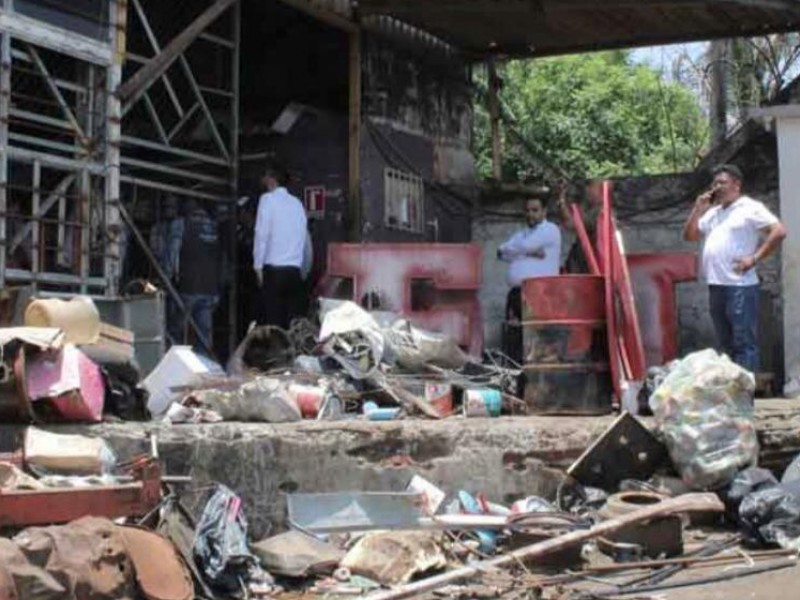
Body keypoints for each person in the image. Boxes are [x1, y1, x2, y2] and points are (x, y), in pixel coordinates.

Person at [683, 164, 786, 373]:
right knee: (725, 343)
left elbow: (779, 231)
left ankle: (745, 399)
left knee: (743, 342)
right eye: (715, 183)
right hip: (716, 285)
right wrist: (697, 209)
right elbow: (690, 236)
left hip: (740, 286)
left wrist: (754, 258)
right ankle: (730, 398)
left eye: (722, 182)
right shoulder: (713, 213)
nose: (717, 187)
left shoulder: (749, 207)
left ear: (736, 185)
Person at [497, 197, 562, 363]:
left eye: (535, 210)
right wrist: (528, 252)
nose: (530, 214)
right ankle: (514, 374)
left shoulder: (550, 230)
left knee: (536, 339)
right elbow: (500, 252)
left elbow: (523, 246)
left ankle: (535, 378)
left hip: (539, 293)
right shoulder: (523, 234)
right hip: (517, 294)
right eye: (527, 210)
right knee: (515, 338)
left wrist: (519, 250)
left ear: (544, 212)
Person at [252, 164, 309, 330]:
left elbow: (261, 234)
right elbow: (303, 239)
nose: (262, 180)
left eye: (264, 176)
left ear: (271, 179)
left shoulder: (267, 200)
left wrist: (257, 266)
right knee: (291, 327)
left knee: (273, 326)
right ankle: (293, 356)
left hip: (274, 272)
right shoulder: (297, 204)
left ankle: (276, 356)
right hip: (294, 272)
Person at [171, 198, 221, 354]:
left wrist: (169, 277)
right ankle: (202, 367)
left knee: (177, 330)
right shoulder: (213, 227)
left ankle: (174, 363)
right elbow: (221, 258)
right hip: (210, 288)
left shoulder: (181, 224)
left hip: (188, 285)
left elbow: (173, 254)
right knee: (204, 334)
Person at [557, 178, 603, 273]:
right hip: (586, 260)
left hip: (594, 262)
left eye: (590, 186)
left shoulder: (600, 211)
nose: (587, 190)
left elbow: (572, 224)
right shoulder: (590, 208)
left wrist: (562, 201)